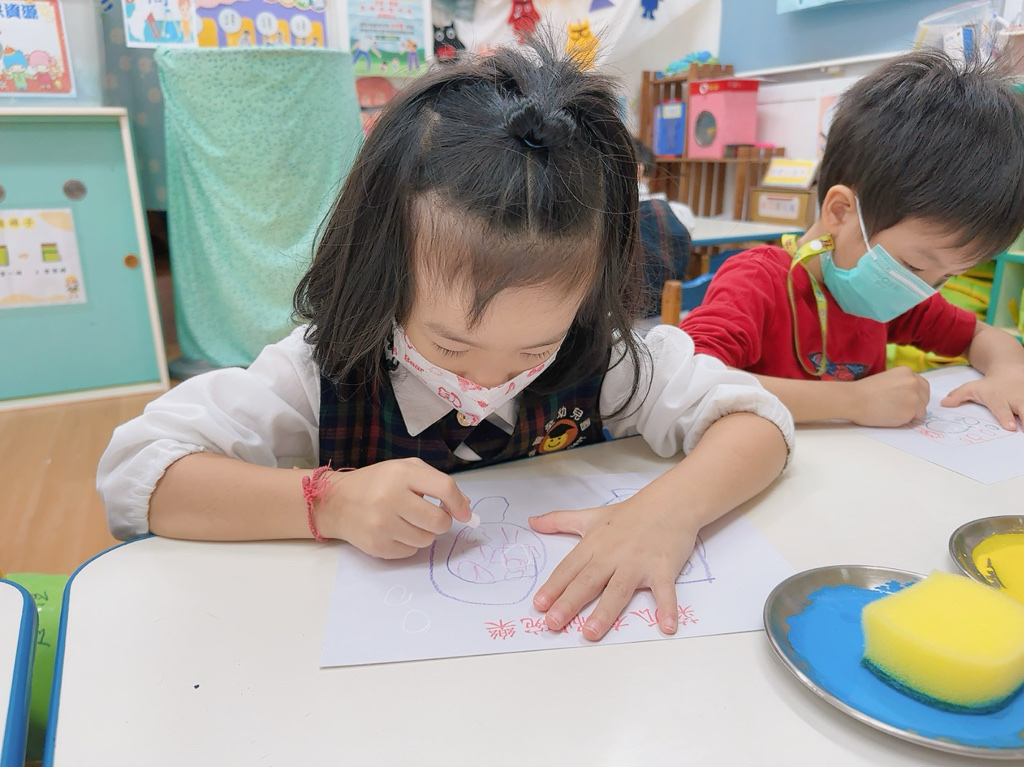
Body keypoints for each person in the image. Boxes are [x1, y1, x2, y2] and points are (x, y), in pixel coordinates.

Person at [97, 40, 793, 642]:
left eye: (534, 349)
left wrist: (668, 511)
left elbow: (756, 420)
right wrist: (326, 501)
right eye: (451, 348)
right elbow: (138, 473)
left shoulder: (600, 355)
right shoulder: (323, 371)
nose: (489, 380)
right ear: (381, 276)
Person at [681, 49, 1024, 430]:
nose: (921, 290)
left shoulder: (897, 295)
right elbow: (687, 380)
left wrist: (1009, 372)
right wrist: (855, 401)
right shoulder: (757, 282)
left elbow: (980, 335)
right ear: (841, 212)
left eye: (945, 277)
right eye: (914, 266)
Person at [635, 138, 694, 315]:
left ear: (638, 170)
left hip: (630, 320)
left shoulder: (616, 215)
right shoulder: (680, 212)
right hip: (675, 314)